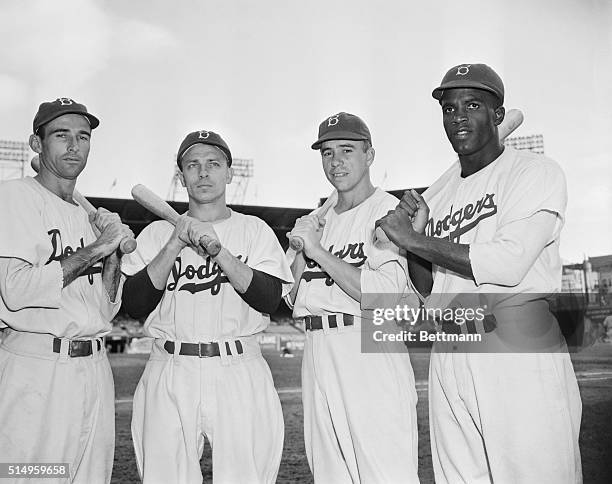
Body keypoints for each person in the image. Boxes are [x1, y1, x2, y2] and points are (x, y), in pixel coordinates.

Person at [376, 64, 582, 483]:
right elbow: (429, 289)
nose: (458, 118)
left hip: (515, 344)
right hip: (450, 345)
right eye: (449, 109)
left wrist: (413, 241)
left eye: (472, 105)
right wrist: (415, 241)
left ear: (499, 114)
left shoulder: (535, 172)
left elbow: (507, 264)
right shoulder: (445, 192)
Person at [121, 130, 294, 484]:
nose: (203, 172)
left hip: (238, 368)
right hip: (169, 368)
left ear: (230, 173)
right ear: (180, 175)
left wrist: (219, 252)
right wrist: (173, 244)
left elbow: (269, 298)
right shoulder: (155, 235)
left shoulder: (254, 230)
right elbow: (135, 303)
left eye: (213, 164)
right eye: (193, 165)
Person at [0, 98, 133, 483]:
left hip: (94, 368)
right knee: (29, 475)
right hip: (38, 369)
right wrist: (97, 248)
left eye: (83, 136)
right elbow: (16, 290)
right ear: (36, 144)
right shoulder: (14, 197)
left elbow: (106, 309)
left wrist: (112, 252)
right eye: (61, 136)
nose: (74, 145)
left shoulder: (86, 215)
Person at [286, 112, 419, 483]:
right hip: (315, 349)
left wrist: (319, 253)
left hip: (366, 345)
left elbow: (384, 296)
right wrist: (300, 252)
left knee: (385, 472)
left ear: (370, 155)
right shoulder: (316, 220)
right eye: (327, 152)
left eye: (347, 150)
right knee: (330, 474)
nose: (336, 161)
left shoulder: (387, 214)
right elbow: (287, 298)